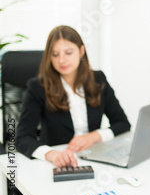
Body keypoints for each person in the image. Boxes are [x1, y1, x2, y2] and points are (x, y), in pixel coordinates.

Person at [16, 25, 131, 168]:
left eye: (68, 52)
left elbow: (123, 123)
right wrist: (51, 154)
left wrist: (93, 137)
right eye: (55, 54)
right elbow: (22, 138)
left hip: (94, 157)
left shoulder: (98, 79)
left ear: (81, 51)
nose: (62, 60)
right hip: (58, 161)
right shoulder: (38, 87)